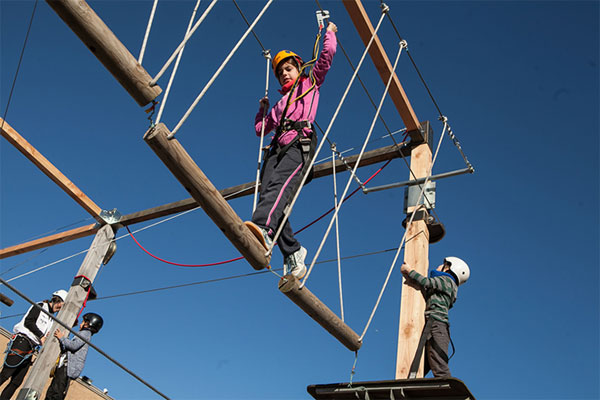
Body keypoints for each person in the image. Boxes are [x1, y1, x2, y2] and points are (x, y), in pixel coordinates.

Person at [250, 21, 338, 278]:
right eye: (281, 73)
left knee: (277, 188)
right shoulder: (278, 104)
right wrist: (263, 110)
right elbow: (260, 129)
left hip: (300, 144)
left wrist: (329, 33)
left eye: (289, 69)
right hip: (276, 148)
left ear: (299, 68)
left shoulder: (309, 84)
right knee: (270, 196)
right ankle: (292, 252)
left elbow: (326, 57)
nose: (285, 74)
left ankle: (263, 230)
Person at [400, 257, 470, 378]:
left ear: (448, 268)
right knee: (427, 361)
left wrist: (409, 271)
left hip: (437, 325)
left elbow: (427, 282)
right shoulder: (448, 286)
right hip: (437, 326)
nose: (438, 266)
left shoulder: (446, 281)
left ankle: (447, 388)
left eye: (441, 265)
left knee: (438, 361)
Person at [0, 289, 67, 399]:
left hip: (31, 348)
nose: (59, 307)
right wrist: (41, 336)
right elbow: (29, 321)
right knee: (6, 374)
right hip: (22, 342)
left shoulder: (51, 319)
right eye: (60, 304)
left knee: (17, 381)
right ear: (56, 299)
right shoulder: (41, 306)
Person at [44, 312, 103, 400]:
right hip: (64, 366)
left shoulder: (85, 333)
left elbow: (73, 346)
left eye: (83, 321)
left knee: (56, 393)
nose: (80, 324)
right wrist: (64, 339)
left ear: (88, 324)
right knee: (52, 390)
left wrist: (61, 338)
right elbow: (68, 349)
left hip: (67, 368)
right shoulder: (84, 334)